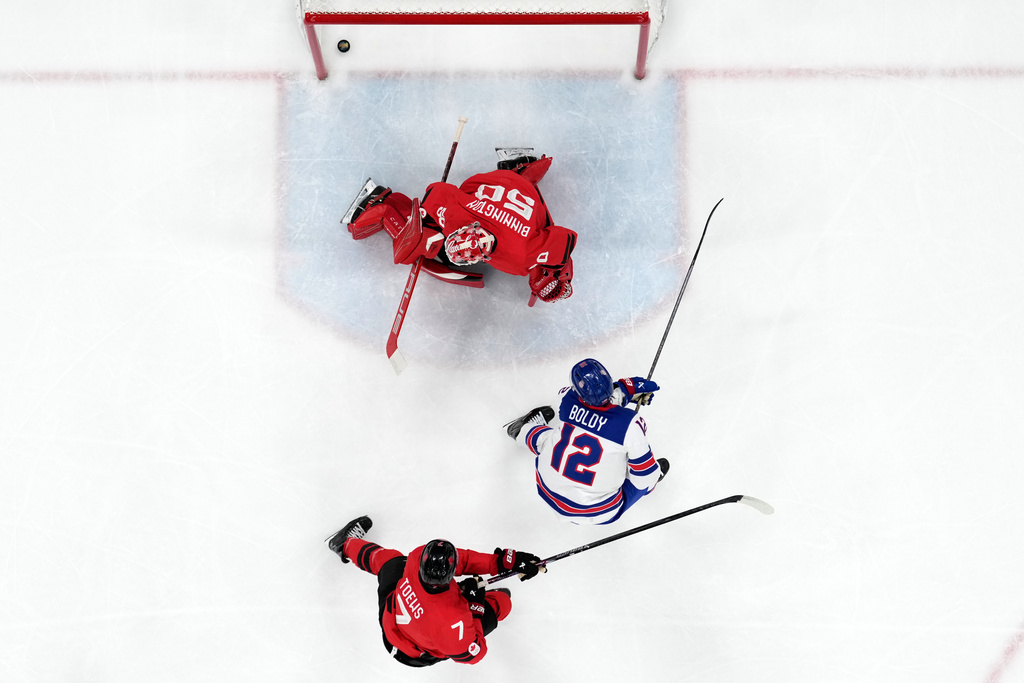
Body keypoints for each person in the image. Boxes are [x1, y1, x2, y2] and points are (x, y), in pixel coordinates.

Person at [342, 150, 577, 303]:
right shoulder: (523, 254)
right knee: (425, 244)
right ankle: (382, 203)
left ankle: (516, 170)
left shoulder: (523, 255)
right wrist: (418, 235)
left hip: (490, 184)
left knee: (428, 241)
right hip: (513, 188)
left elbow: (438, 190)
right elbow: (563, 237)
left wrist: (557, 270)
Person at [326, 515, 545, 667]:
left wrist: (502, 562)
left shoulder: (417, 557)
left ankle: (344, 544)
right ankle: (490, 601)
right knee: (503, 601)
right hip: (411, 651)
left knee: (388, 560)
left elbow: (464, 560)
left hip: (392, 617)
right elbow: (473, 654)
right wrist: (475, 608)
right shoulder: (453, 621)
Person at [505, 358, 669, 525]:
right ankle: (654, 481)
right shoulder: (629, 424)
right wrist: (623, 390)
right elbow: (644, 477)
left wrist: (621, 392)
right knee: (644, 473)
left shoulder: (566, 399)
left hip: (546, 489)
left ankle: (522, 430)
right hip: (596, 511)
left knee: (551, 439)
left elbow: (586, 403)